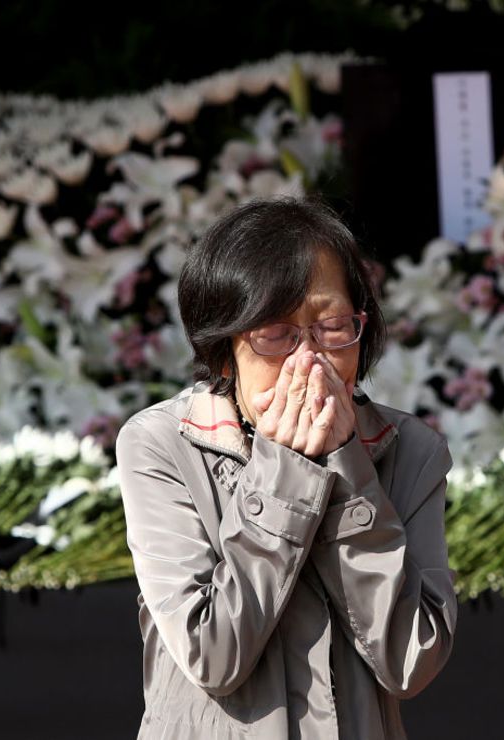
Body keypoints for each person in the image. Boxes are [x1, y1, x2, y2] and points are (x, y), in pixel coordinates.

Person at [115, 195, 457, 739]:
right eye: (275, 335)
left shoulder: (411, 450)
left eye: (333, 327)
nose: (309, 361)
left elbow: (412, 660)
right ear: (224, 350)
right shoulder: (160, 445)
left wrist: (347, 472)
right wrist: (289, 472)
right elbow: (212, 652)